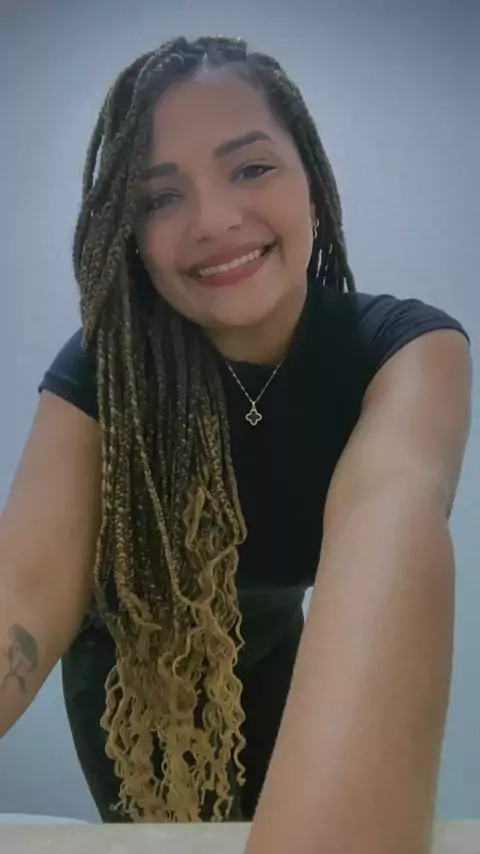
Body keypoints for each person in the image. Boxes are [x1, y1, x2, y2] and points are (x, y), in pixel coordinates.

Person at [0, 34, 472, 850]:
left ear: (312, 183)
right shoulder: (105, 371)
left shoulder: (405, 352)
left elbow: (390, 521)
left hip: (280, 648)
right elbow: (23, 591)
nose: (214, 221)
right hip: (133, 678)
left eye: (251, 168)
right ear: (133, 237)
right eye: (160, 197)